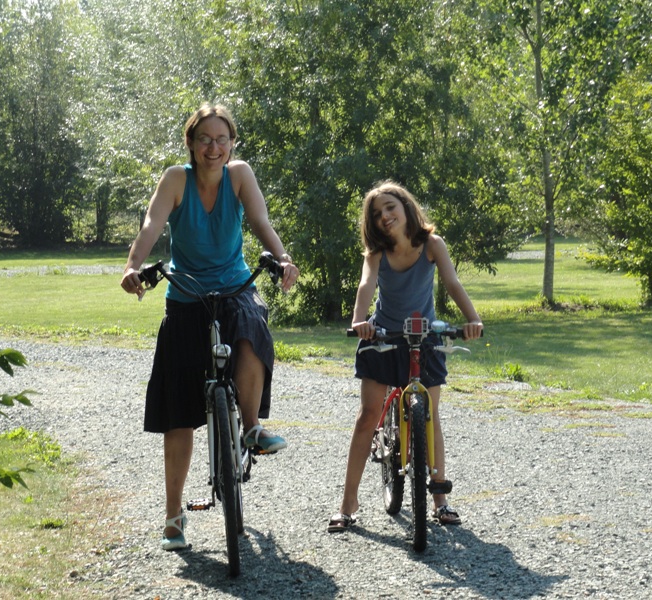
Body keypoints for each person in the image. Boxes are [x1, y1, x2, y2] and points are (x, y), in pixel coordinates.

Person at [120, 102, 299, 551]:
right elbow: (151, 224)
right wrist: (133, 267)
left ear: (232, 143)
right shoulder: (175, 179)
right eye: (205, 139)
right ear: (191, 144)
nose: (214, 147)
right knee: (179, 410)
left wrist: (282, 259)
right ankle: (174, 515)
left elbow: (259, 221)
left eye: (222, 139)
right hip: (186, 294)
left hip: (234, 286)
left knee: (252, 334)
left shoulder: (240, 175)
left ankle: (252, 427)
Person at [328, 180, 483, 532]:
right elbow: (366, 285)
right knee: (368, 415)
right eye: (377, 213)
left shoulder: (431, 245)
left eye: (390, 208)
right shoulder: (377, 254)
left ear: (406, 207)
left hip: (423, 337)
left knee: (430, 415)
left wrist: (472, 318)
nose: (385, 216)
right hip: (383, 337)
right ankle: (348, 503)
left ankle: (440, 501)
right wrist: (359, 320)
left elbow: (452, 282)